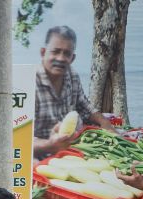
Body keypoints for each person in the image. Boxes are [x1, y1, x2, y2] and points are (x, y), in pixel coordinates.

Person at [33, 26, 115, 159]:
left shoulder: (72, 75)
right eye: (56, 51)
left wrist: (105, 123)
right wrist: (50, 145)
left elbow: (85, 106)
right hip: (38, 155)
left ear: (72, 58)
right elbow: (16, 139)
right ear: (43, 52)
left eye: (66, 53)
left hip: (71, 148)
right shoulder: (29, 83)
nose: (60, 58)